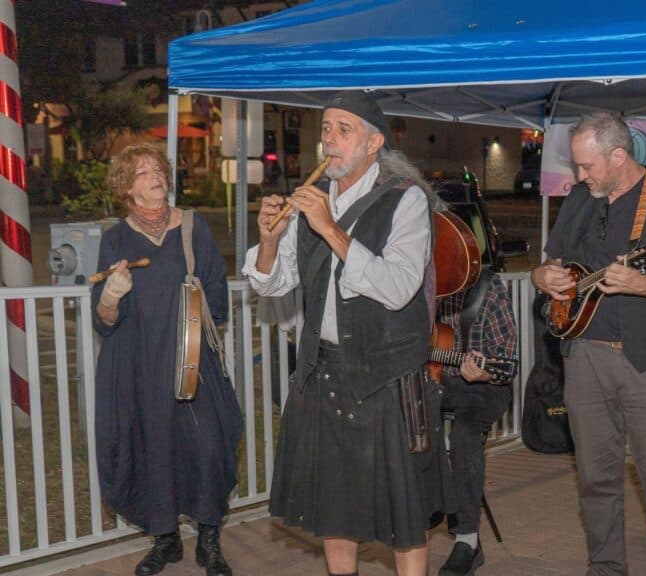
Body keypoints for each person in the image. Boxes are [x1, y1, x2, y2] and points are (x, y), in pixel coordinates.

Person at [243, 92, 450, 576]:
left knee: (404, 513)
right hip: (326, 371)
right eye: (326, 129)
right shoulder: (313, 201)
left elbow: (398, 287)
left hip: (385, 377)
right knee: (335, 506)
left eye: (343, 129)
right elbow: (276, 282)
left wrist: (331, 228)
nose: (328, 140)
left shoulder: (407, 200)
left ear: (374, 142)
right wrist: (271, 242)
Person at [531, 112, 646, 576]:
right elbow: (551, 265)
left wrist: (640, 283)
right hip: (584, 357)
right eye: (575, 166)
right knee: (595, 479)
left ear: (618, 155)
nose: (578, 175)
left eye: (587, 166)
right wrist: (541, 276)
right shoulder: (578, 199)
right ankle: (606, 567)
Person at [92, 144, 241, 576]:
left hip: (193, 362)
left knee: (209, 447)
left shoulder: (193, 226)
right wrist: (111, 294)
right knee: (153, 450)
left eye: (157, 169)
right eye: (142, 172)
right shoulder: (114, 239)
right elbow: (104, 321)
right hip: (139, 365)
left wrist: (194, 320)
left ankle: (209, 540)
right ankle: (166, 539)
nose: (154, 176)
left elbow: (217, 291)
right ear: (127, 188)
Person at [435, 268, 518, 576]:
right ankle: (422, 509)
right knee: (406, 418)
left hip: (486, 386)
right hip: (440, 380)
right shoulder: (428, 283)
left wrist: (486, 371)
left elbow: (507, 364)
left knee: (465, 433)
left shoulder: (489, 288)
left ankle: (467, 540)